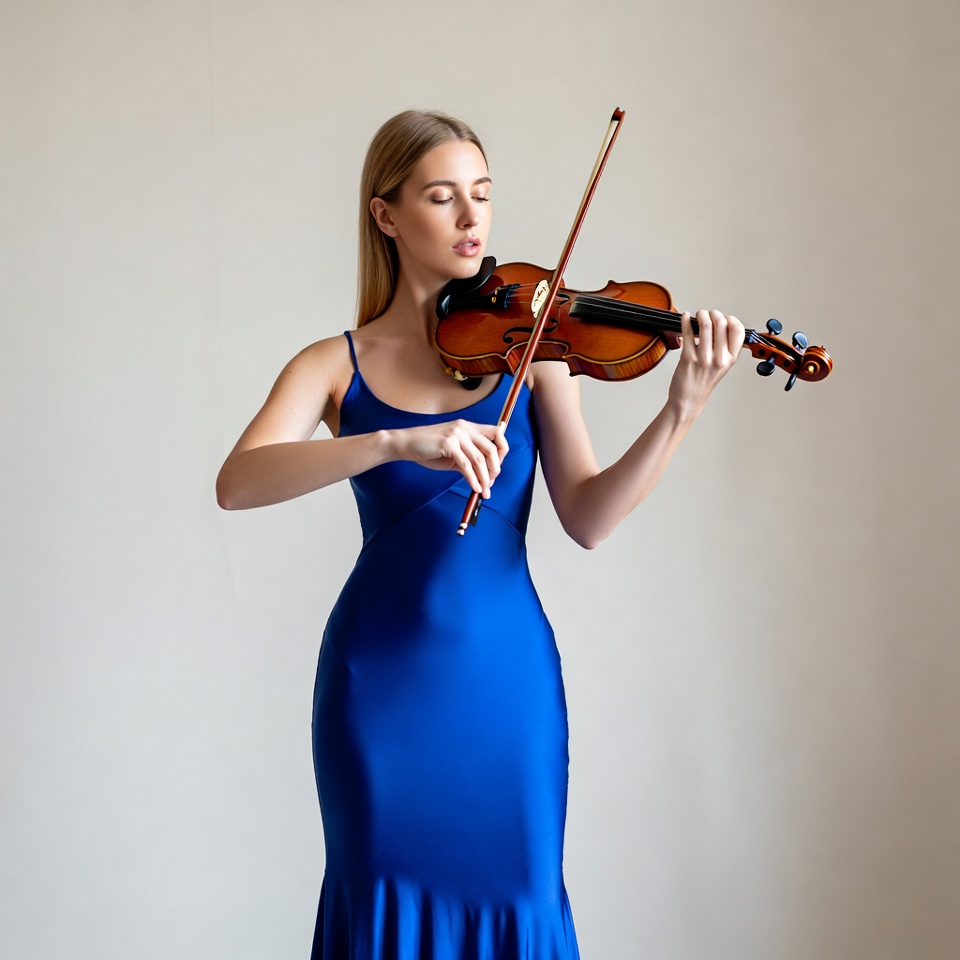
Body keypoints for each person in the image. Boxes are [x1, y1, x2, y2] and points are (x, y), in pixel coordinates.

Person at [217, 109, 745, 960]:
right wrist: (391, 442)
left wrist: (680, 410)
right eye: (441, 197)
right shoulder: (331, 365)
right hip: (377, 687)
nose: (471, 219)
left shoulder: (535, 353)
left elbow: (591, 519)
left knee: (520, 897)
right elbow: (237, 485)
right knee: (380, 903)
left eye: (483, 196)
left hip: (505, 683)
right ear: (387, 215)